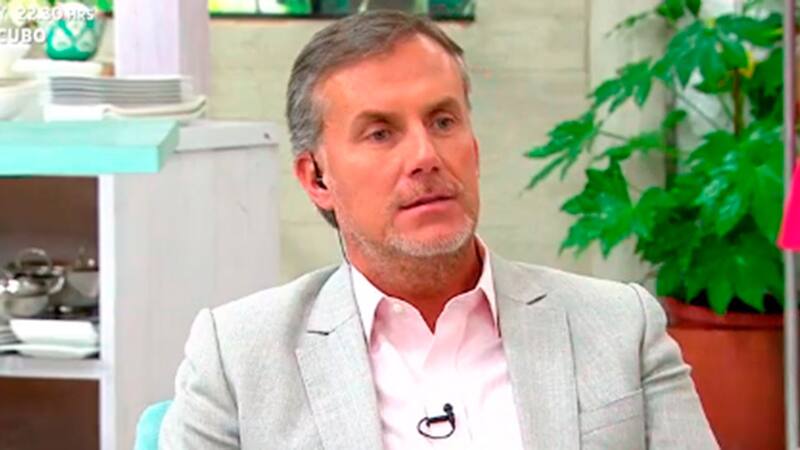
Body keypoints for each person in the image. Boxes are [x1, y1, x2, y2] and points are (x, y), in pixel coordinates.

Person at [159, 10, 719, 449]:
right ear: (317, 178)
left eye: (443, 121)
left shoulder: (620, 325)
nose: (426, 156)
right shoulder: (238, 358)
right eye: (381, 133)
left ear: (474, 147)